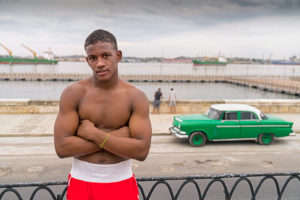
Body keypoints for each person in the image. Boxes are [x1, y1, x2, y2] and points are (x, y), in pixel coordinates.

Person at [54, 29, 152, 200]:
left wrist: (94, 134)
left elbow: (141, 151)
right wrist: (118, 137)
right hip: (81, 182)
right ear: (87, 60)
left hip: (121, 182)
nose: (99, 63)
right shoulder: (73, 93)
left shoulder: (135, 97)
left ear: (118, 55)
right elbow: (62, 148)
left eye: (106, 55)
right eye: (93, 58)